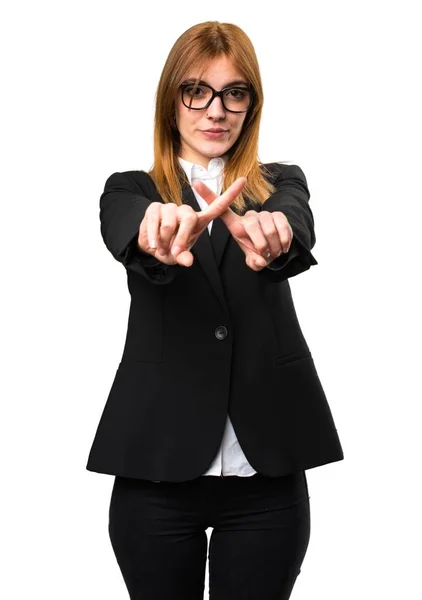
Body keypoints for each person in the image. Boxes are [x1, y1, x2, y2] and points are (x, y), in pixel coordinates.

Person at [86, 20, 344, 600]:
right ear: (171, 100)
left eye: (234, 93)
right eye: (196, 90)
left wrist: (275, 235)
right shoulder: (131, 190)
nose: (215, 110)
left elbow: (292, 223)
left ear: (251, 104)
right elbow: (128, 229)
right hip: (155, 472)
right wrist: (158, 233)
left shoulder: (280, 184)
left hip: (266, 479)